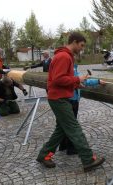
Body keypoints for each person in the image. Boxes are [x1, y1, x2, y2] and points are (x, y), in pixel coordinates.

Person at [36, 32, 105, 172]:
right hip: (59, 99)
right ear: (74, 42)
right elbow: (57, 79)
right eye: (81, 45)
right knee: (74, 129)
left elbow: (63, 79)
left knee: (61, 130)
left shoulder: (65, 56)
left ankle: (44, 155)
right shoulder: (63, 56)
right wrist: (77, 80)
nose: (82, 49)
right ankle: (88, 159)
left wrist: (75, 84)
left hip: (60, 97)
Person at [59, 64, 106, 155]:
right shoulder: (71, 67)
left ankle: (63, 145)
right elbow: (83, 82)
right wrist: (98, 81)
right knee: (72, 125)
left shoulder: (71, 66)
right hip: (72, 99)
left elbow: (80, 79)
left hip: (69, 98)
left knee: (65, 123)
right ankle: (71, 148)